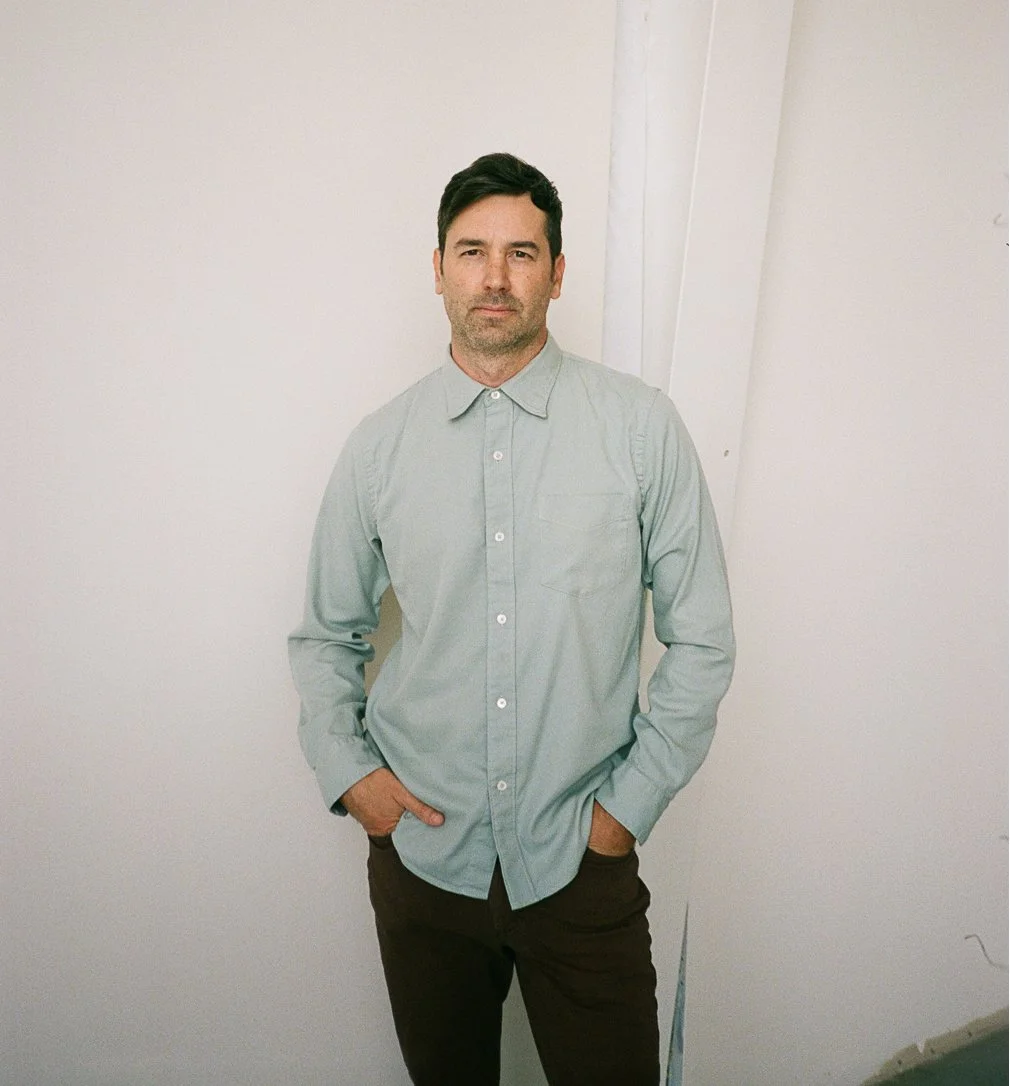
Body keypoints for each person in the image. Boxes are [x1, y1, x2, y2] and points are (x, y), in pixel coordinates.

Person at [288, 152, 735, 1086]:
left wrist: (624, 813)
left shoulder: (641, 429)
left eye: (521, 253)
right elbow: (328, 635)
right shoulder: (379, 448)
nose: (495, 277)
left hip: (581, 861)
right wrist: (355, 778)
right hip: (425, 865)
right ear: (439, 269)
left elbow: (702, 639)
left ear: (557, 274)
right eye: (472, 251)